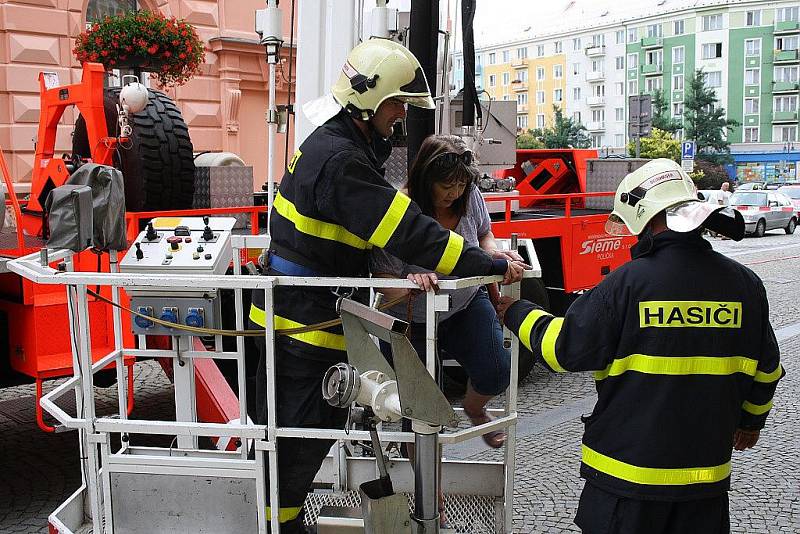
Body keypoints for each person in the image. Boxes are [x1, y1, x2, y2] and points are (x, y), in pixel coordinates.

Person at [248, 39, 524, 533]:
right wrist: (486, 261)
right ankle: (280, 526)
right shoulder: (343, 161)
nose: (400, 116)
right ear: (367, 100)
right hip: (305, 328)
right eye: (397, 104)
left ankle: (282, 521)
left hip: (299, 318)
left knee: (293, 441)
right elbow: (412, 234)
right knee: (295, 450)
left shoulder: (332, 144)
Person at [497, 158, 784, 534]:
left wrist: (516, 311)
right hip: (704, 489)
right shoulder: (746, 285)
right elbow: (767, 370)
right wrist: (750, 423)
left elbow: (563, 348)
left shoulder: (627, 284)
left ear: (644, 219)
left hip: (627, 486)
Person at [371, 134, 522, 448]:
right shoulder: (398, 209)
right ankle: (426, 484)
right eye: (446, 186)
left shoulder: (469, 194)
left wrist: (492, 255)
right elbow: (380, 274)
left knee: (497, 369)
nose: (455, 193)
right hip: (408, 318)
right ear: (427, 180)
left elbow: (484, 234)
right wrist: (406, 283)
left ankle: (474, 408)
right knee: (419, 405)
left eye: (461, 185)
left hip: (463, 304)